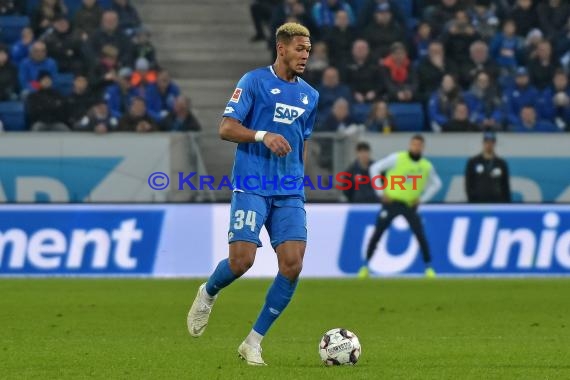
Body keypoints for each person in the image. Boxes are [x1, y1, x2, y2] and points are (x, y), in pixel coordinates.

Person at [186, 22, 318, 366]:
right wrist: (263, 136)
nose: (306, 54)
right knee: (242, 261)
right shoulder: (253, 81)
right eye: (300, 48)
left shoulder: (310, 95)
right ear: (282, 49)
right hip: (252, 184)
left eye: (308, 49)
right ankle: (208, 292)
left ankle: (253, 342)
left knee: (293, 264)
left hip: (289, 189)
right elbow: (226, 128)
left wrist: (299, 179)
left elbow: (302, 141)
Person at [358, 134, 442, 279]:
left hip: (410, 205)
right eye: (414, 144)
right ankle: (365, 266)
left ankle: (428, 268)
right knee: (377, 233)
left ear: (422, 147)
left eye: (419, 145)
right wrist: (380, 192)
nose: (416, 147)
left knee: (420, 235)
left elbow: (437, 184)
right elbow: (375, 169)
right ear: (410, 145)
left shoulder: (425, 166)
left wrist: (422, 199)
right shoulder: (397, 158)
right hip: (392, 203)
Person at [465, 131, 512, 203]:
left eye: (491, 142)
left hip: (497, 202)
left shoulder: (501, 163)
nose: (489, 145)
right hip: (478, 202)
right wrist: (472, 200)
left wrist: (506, 203)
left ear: (494, 143)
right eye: (487, 142)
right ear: (483, 143)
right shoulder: (473, 162)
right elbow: (469, 184)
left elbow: (505, 185)